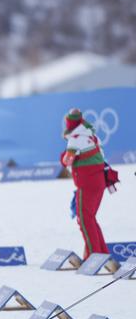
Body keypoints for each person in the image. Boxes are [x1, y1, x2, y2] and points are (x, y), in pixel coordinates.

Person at [60, 108, 108, 259]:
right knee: (90, 218)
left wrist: (62, 158)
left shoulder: (75, 138)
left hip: (86, 183)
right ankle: (102, 254)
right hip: (100, 182)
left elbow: (68, 160)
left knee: (84, 220)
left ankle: (94, 257)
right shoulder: (93, 136)